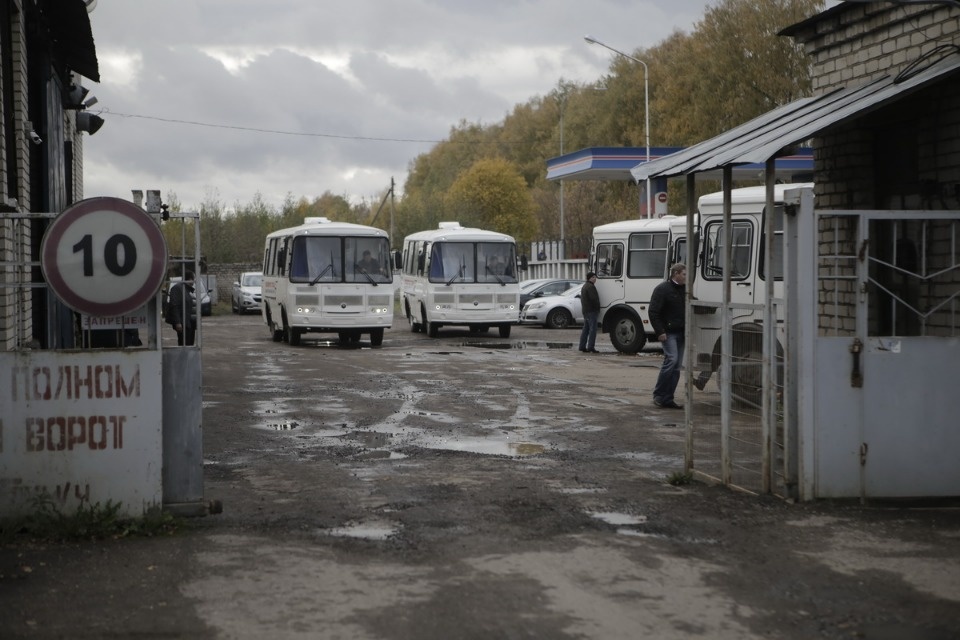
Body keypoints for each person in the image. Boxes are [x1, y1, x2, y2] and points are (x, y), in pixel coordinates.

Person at [649, 263, 687, 408]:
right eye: (684, 274)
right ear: (676, 273)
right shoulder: (662, 289)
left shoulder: (684, 290)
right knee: (671, 360)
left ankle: (668, 398)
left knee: (676, 366)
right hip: (669, 333)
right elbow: (653, 312)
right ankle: (659, 395)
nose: (685, 277)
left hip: (681, 332)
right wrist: (660, 332)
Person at [167, 271, 197, 346]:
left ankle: (187, 357)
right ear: (190, 279)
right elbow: (174, 305)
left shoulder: (187, 289)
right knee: (184, 344)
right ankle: (184, 357)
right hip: (184, 323)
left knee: (189, 345)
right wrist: (177, 322)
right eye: (193, 278)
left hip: (190, 323)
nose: (194, 281)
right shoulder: (177, 288)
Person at [578, 272, 600, 353]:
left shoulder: (585, 286)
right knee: (592, 329)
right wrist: (597, 308)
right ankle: (591, 347)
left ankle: (582, 346)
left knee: (586, 329)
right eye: (593, 277)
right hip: (591, 310)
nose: (595, 279)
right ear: (589, 278)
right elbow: (594, 299)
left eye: (595, 277)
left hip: (586, 311)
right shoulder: (590, 287)